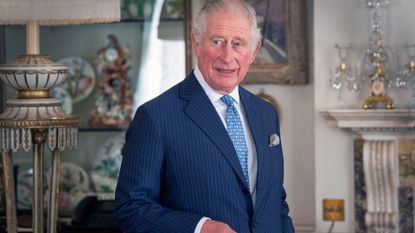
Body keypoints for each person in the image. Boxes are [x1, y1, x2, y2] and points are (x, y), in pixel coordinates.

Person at [115, 0, 295, 232]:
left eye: (238, 44)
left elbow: (275, 202)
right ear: (196, 43)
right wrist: (200, 228)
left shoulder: (265, 113)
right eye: (217, 41)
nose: (228, 56)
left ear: (254, 51)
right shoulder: (155, 117)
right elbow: (131, 208)